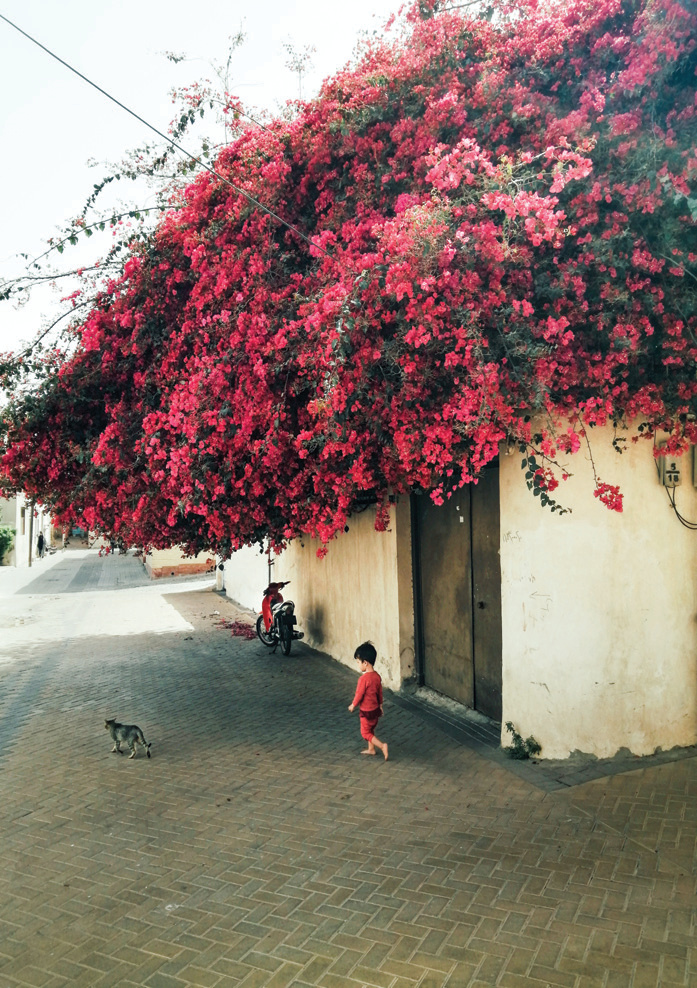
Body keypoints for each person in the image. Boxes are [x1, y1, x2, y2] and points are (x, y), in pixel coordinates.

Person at [348, 641, 388, 761]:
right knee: (371, 729)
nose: (358, 665)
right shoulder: (377, 677)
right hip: (375, 710)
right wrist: (380, 705)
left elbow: (359, 694)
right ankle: (371, 749)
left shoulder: (363, 679)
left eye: (358, 662)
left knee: (365, 733)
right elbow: (379, 693)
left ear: (365, 663)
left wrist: (353, 705)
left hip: (366, 711)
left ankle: (382, 746)